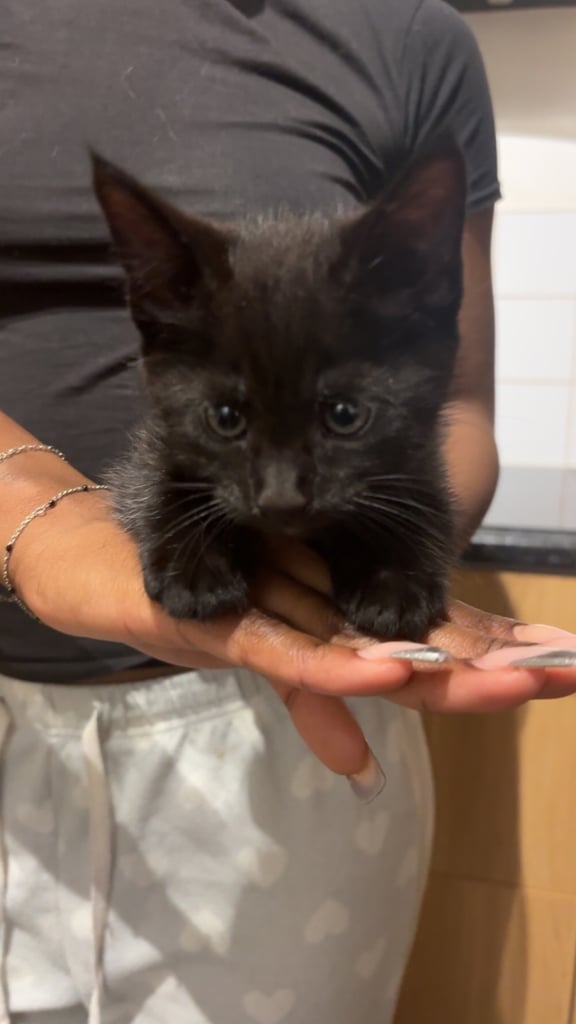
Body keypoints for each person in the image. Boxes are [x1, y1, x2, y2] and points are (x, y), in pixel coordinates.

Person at [1, 1, 575, 1021]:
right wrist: (37, 510)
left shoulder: (402, 39)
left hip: (284, 734)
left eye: (341, 415)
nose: (279, 496)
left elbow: (462, 409)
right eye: (230, 421)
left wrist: (405, 553)